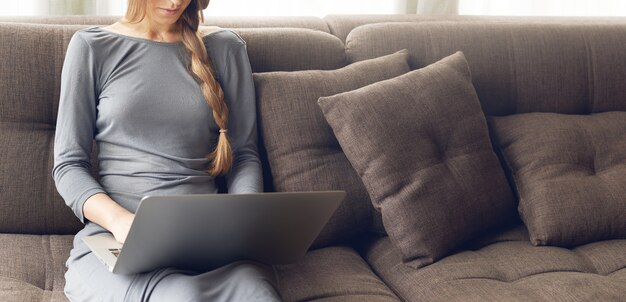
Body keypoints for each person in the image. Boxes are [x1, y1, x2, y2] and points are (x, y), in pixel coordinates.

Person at [52, 0, 282, 300]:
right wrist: (121, 222)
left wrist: (241, 220)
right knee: (184, 296)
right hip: (118, 240)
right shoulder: (92, 47)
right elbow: (69, 165)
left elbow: (243, 155)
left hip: (207, 241)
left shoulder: (226, 48)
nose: (175, 1)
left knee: (258, 293)